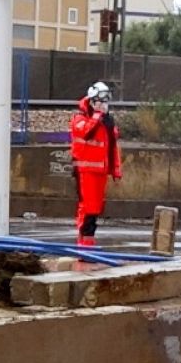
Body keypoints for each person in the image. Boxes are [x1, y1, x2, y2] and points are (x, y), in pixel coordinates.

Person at [69, 81, 121, 248]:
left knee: (95, 208)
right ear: (92, 101)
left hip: (101, 170)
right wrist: (97, 116)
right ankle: (84, 245)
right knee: (87, 208)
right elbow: (85, 132)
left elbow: (112, 146)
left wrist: (116, 169)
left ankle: (87, 244)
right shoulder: (80, 118)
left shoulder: (107, 121)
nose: (103, 105)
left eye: (105, 102)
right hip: (85, 170)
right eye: (100, 101)